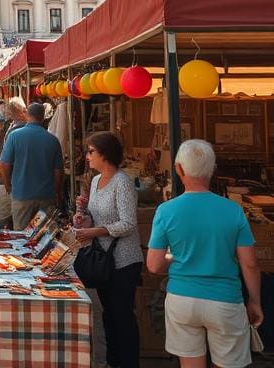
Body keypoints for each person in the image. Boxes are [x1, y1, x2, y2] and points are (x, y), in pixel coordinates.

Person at [146, 139, 262, 368]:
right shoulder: (233, 210)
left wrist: (176, 257)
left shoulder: (166, 211)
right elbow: (249, 264)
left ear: (178, 169)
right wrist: (255, 301)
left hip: (182, 300)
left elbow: (154, 265)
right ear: (213, 169)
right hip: (225, 300)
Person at [72, 132, 144, 368]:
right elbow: (95, 216)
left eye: (91, 151)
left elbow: (128, 224)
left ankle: (128, 362)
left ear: (105, 153)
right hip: (104, 260)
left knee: (122, 315)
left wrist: (95, 232)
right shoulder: (95, 180)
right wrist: (84, 220)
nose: (87, 156)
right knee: (108, 315)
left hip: (123, 261)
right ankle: (113, 361)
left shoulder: (122, 182)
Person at [0, 101, 63, 230]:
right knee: (43, 236)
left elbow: (4, 164)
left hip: (22, 195)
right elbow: (58, 171)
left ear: (27, 114)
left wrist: (8, 185)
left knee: (21, 236)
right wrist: (56, 192)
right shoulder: (52, 140)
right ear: (43, 117)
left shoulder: (15, 136)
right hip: (45, 196)